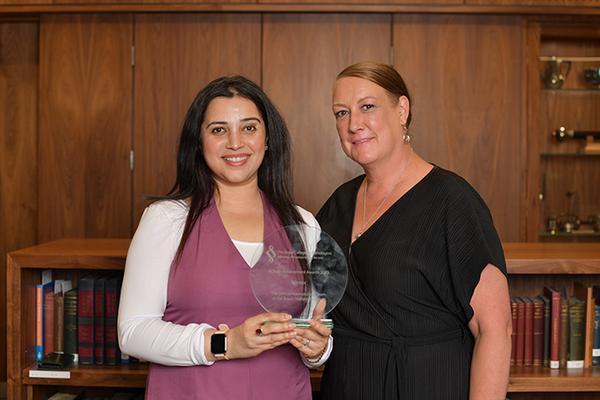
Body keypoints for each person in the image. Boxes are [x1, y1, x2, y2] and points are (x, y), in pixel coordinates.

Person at [118, 76, 332, 400]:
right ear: (199, 142)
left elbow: (314, 328)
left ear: (268, 138)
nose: (235, 143)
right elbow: (132, 333)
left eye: (249, 128)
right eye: (219, 129)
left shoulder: (304, 225)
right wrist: (225, 344)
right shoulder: (166, 220)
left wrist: (318, 349)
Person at [316, 62, 511, 400]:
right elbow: (314, 304)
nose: (353, 124)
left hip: (428, 383)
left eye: (367, 106)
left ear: (401, 109)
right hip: (346, 384)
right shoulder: (338, 203)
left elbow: (495, 329)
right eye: (341, 113)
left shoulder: (453, 201)